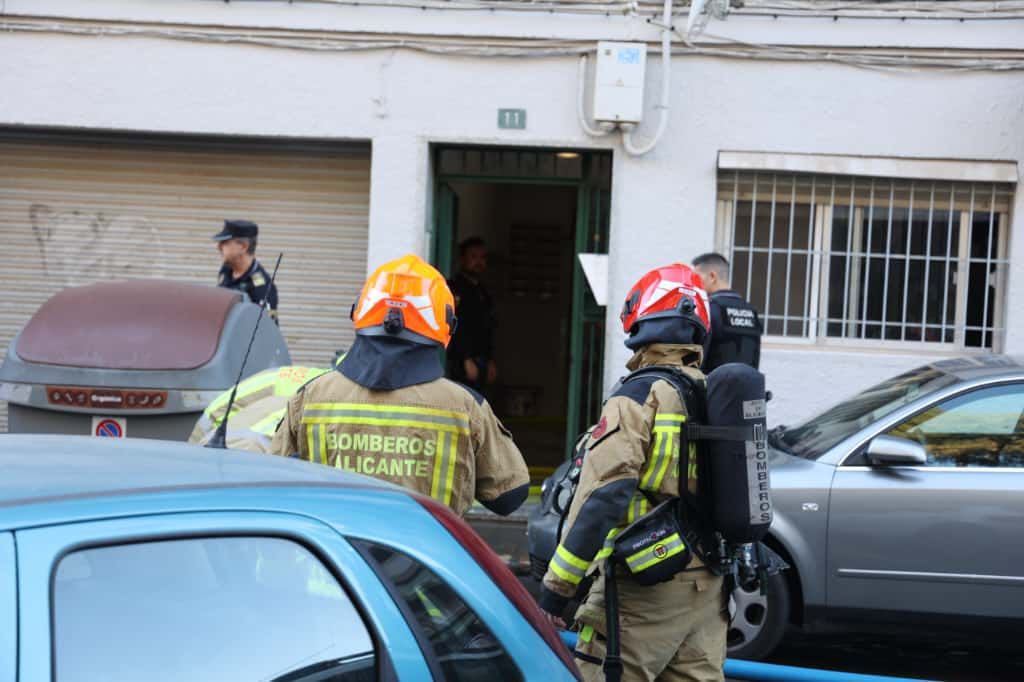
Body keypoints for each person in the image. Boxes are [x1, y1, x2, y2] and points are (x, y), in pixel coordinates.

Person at [538, 263, 727, 682]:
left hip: (644, 589)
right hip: (708, 586)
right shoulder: (711, 392)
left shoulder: (638, 395)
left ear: (642, 318)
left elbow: (604, 496)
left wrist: (555, 592)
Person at [271, 254, 529, 517]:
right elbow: (509, 497)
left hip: (332, 557)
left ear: (359, 312)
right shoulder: (466, 407)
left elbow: (272, 484)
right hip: (431, 556)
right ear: (446, 326)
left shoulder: (310, 396)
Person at [692, 252, 761, 373]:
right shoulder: (751, 311)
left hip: (714, 388)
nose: (694, 283)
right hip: (748, 389)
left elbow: (697, 358)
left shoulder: (708, 309)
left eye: (696, 277)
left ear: (712, 276)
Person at [447, 237, 497, 393]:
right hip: (460, 361)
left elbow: (488, 327)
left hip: (481, 358)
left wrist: (489, 360)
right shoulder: (454, 288)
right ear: (462, 259)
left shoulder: (483, 291)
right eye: (473, 257)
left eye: (482, 257)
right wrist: (465, 359)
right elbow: (455, 325)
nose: (479, 262)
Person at [213, 219, 279, 323]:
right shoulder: (226, 271)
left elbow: (265, 330)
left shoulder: (262, 287)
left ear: (243, 246)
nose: (218, 247)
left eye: (224, 242)